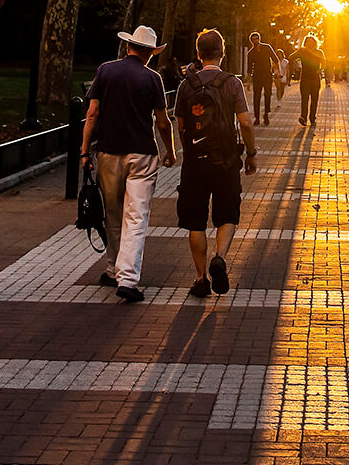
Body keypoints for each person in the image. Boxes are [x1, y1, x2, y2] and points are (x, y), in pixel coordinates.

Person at [81, 25, 174, 302]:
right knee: (136, 215)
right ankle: (128, 279)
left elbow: (92, 114)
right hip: (143, 153)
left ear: (128, 47)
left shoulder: (105, 71)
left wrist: (85, 151)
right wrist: (170, 150)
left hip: (108, 151)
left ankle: (112, 269)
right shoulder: (152, 78)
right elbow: (161, 120)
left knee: (113, 213)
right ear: (149, 53)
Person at [175, 30, 257, 298]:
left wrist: (188, 150)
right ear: (223, 52)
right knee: (227, 214)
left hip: (195, 163)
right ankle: (220, 257)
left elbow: (182, 126)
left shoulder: (186, 85)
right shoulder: (232, 83)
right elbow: (245, 122)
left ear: (198, 53)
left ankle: (200, 278)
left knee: (195, 221)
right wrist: (251, 154)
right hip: (226, 160)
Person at [243, 31, 276, 127]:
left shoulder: (267, 47)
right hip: (257, 76)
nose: (255, 41)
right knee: (256, 96)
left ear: (259, 39)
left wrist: (277, 71)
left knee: (268, 94)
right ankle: (257, 118)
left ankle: (266, 114)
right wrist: (249, 82)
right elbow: (249, 69)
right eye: (253, 40)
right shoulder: (251, 53)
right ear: (251, 41)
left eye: (256, 39)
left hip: (267, 74)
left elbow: (275, 59)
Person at [295, 35, 324, 129]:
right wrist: (295, 66)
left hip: (315, 79)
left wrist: (320, 70)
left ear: (314, 43)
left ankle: (312, 117)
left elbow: (324, 63)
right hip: (305, 79)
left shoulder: (319, 52)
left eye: (311, 42)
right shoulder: (302, 52)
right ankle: (303, 117)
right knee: (305, 99)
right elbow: (291, 57)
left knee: (314, 99)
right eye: (307, 42)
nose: (309, 43)